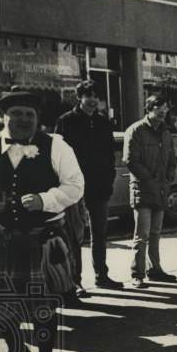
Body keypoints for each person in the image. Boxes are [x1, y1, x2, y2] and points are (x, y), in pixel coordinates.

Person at [0, 90, 84, 352]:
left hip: (40, 239)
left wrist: (46, 199)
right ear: (3, 117)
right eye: (16, 113)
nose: (23, 119)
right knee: (1, 304)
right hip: (1, 239)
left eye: (30, 115)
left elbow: (75, 186)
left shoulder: (57, 147)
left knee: (42, 307)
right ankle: (16, 351)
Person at [54, 79, 123, 293]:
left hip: (99, 188)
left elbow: (110, 155)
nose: (93, 100)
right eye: (89, 95)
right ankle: (75, 281)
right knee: (74, 236)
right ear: (79, 97)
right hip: (73, 188)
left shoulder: (103, 123)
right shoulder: (66, 121)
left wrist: (109, 180)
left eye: (96, 96)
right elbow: (56, 156)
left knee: (100, 233)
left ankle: (102, 275)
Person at [122, 95, 177, 289]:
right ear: (148, 108)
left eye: (165, 107)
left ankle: (155, 269)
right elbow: (130, 160)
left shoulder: (166, 132)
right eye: (158, 107)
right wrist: (151, 180)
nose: (163, 111)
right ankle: (137, 273)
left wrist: (169, 177)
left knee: (155, 232)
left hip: (161, 189)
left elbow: (173, 158)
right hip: (143, 189)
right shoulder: (136, 130)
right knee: (142, 234)